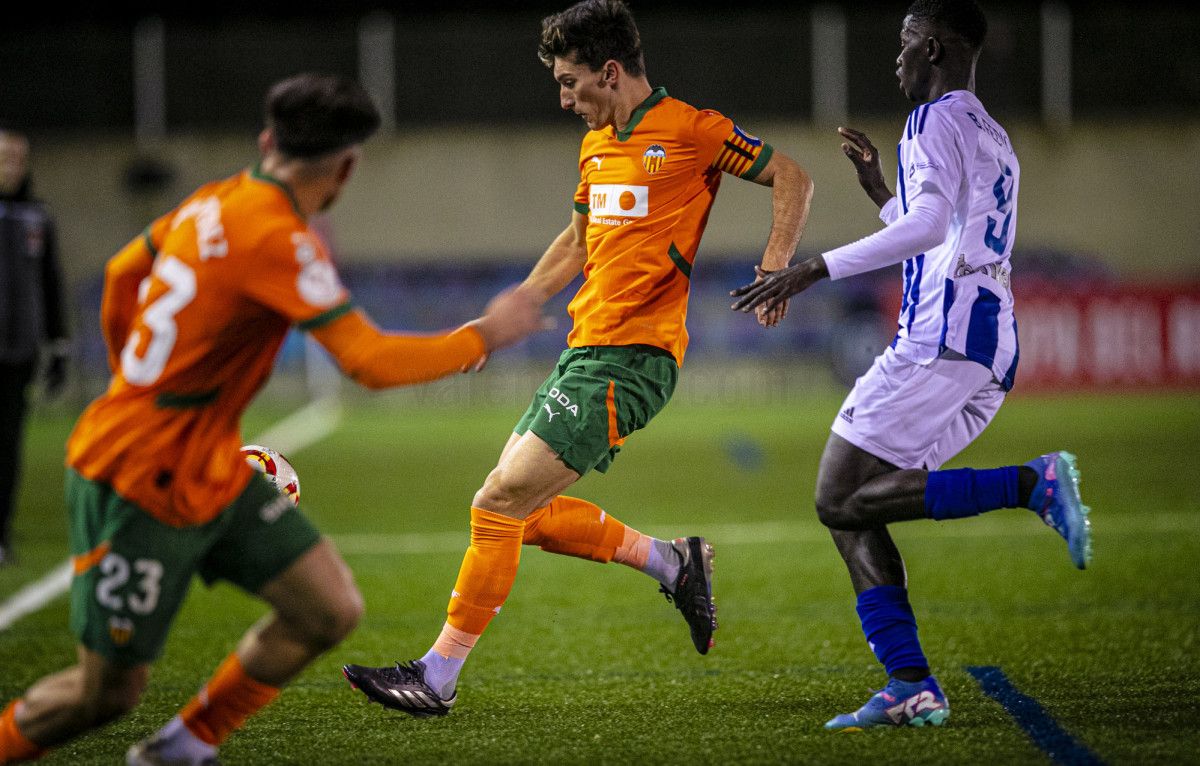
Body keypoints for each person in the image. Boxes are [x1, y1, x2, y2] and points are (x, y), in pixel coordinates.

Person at [0, 74, 545, 765]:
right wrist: (485, 336)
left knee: (328, 609)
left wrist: (128, 377)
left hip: (204, 462)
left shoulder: (212, 201)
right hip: (138, 476)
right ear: (346, 169)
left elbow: (119, 277)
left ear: (267, 141)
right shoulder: (279, 239)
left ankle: (184, 746)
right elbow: (368, 361)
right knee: (102, 694)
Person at [343, 0, 814, 717]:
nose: (564, 98)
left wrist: (776, 262)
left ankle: (438, 676)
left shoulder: (691, 129)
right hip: (584, 351)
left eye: (570, 82)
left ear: (611, 71)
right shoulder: (596, 146)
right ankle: (672, 562)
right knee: (518, 513)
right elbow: (575, 241)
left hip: (634, 360)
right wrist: (505, 318)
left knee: (497, 503)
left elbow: (792, 176)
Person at [730, 0, 1091, 730]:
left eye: (904, 43)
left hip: (938, 341)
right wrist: (880, 194)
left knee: (837, 497)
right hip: (984, 345)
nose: (895, 56)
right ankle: (911, 684)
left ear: (934, 48)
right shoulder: (989, 131)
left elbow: (930, 228)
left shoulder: (930, 123)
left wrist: (809, 271)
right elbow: (941, 229)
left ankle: (1033, 482)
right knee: (860, 504)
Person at [0, 124, 69, 566]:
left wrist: (58, 345)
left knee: (8, 445)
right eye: (3, 158)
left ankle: (1, 532)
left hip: (17, 353)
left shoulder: (35, 218)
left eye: (18, 159)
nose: (11, 167)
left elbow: (50, 283)